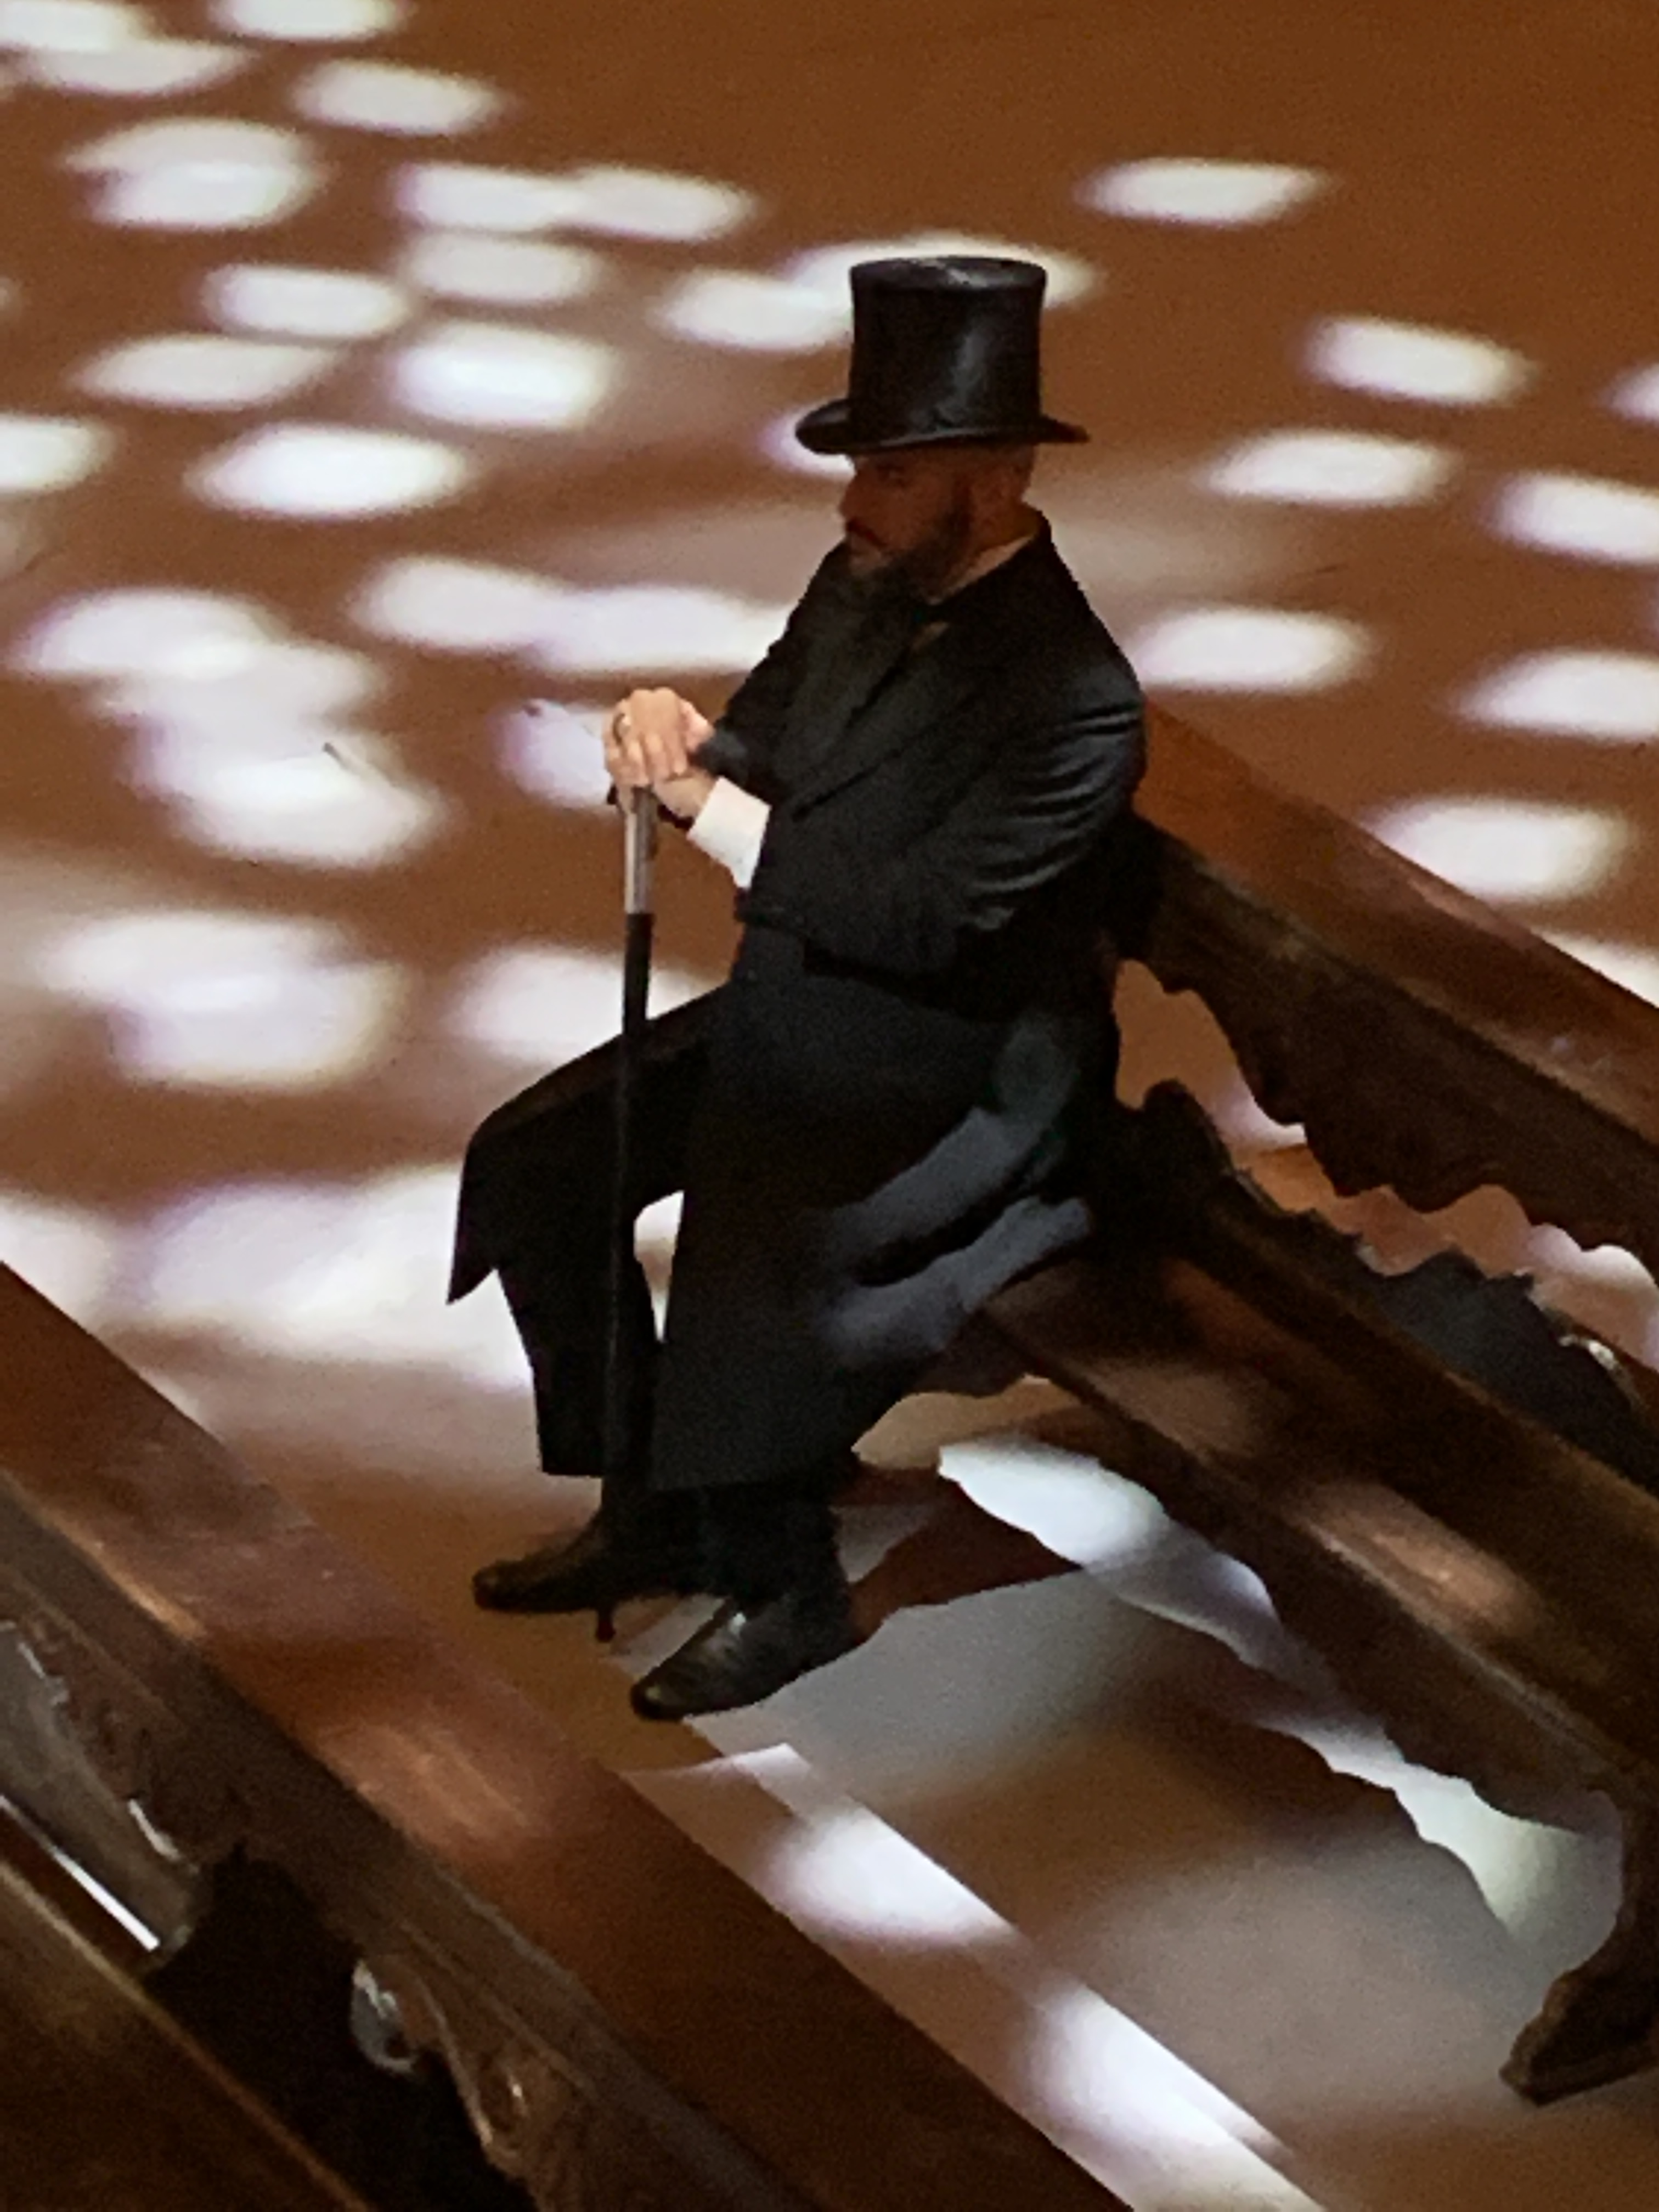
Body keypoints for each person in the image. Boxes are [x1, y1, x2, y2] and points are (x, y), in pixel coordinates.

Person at [449, 256, 1146, 1720]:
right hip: (818, 1012)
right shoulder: (865, 585)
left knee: (757, 1212)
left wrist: (713, 808)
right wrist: (675, 740)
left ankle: (786, 1581)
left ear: (996, 479)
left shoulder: (1076, 700)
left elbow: (928, 925)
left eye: (893, 473)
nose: (854, 502)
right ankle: (650, 1498)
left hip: (958, 1077)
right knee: (539, 1161)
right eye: (859, 468)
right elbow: (760, 742)